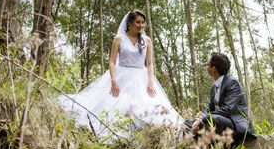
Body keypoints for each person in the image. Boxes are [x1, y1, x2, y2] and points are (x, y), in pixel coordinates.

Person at [59, 10, 183, 139]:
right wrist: (113, 80)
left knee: (148, 104)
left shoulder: (147, 40)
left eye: (142, 22)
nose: (141, 25)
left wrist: (150, 82)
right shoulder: (119, 39)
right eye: (138, 22)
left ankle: (150, 132)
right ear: (129, 23)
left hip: (141, 76)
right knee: (117, 103)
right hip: (121, 74)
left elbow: (150, 63)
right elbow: (112, 62)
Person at [187, 52, 256, 144]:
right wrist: (202, 116)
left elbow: (227, 110)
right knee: (187, 122)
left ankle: (204, 145)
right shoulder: (214, 87)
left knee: (214, 120)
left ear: (213, 68)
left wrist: (204, 118)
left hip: (235, 123)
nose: (206, 67)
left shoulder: (232, 83)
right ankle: (193, 144)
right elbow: (210, 109)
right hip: (221, 120)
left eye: (207, 64)